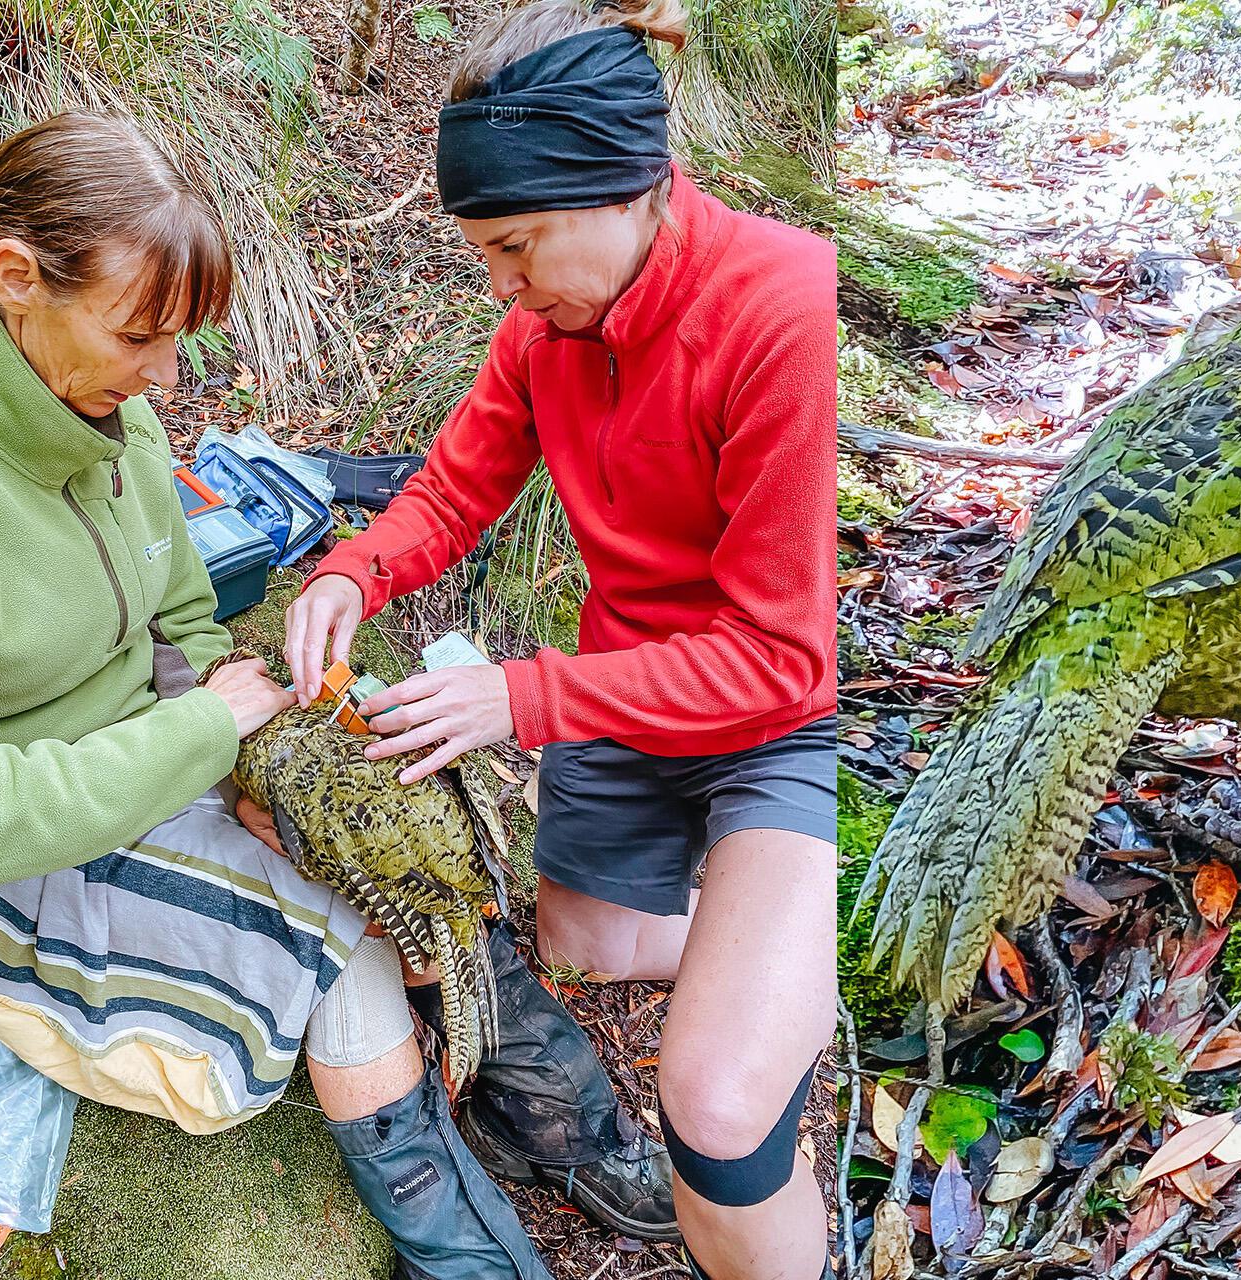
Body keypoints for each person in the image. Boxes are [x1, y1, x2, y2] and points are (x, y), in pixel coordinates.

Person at [0, 112, 552, 1280]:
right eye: (141, 335)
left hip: (145, 766)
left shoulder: (113, 412)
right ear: (17, 279)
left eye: (178, 339)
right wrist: (204, 732)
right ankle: (472, 1255)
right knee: (342, 942)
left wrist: (267, 769)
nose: (167, 377)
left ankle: (559, 1122)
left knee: (388, 861)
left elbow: (184, 619)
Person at [280, 1, 837, 1276]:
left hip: (759, 719)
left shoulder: (777, 304)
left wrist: (522, 700)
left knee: (713, 1101)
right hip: (615, 697)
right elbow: (451, 490)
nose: (503, 286)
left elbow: (780, 657)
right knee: (579, 942)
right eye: (487, 253)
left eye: (518, 246)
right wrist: (352, 574)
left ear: (622, 189)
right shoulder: (543, 332)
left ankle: (781, 969)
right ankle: (771, 942)